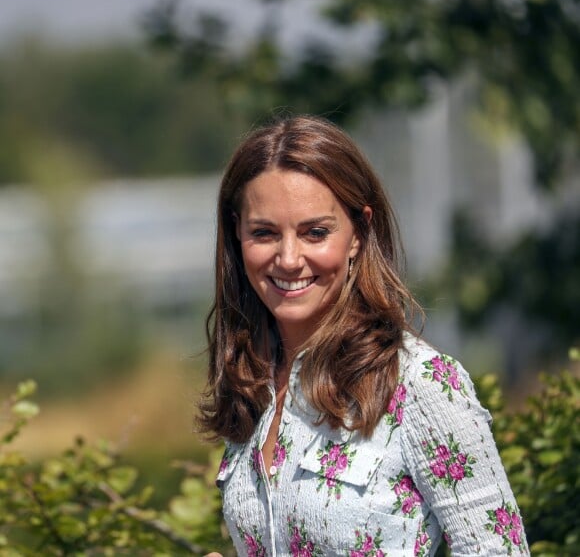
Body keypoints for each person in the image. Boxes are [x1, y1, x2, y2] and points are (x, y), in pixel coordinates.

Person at [199, 115, 529, 556]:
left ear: (358, 232)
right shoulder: (251, 384)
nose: (289, 258)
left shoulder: (422, 384)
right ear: (237, 233)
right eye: (264, 233)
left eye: (316, 232)